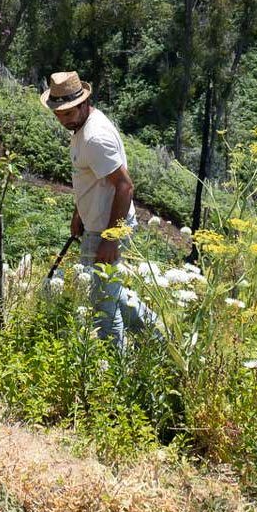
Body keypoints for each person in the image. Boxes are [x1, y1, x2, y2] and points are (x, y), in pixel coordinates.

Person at [41, 70, 158, 348]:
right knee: (114, 297)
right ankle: (163, 345)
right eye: (59, 113)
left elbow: (125, 186)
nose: (64, 119)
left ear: (83, 103)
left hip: (107, 229)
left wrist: (111, 237)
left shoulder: (94, 137)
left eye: (69, 113)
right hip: (98, 224)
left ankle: (115, 375)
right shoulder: (83, 127)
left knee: (102, 310)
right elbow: (93, 179)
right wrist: (79, 212)